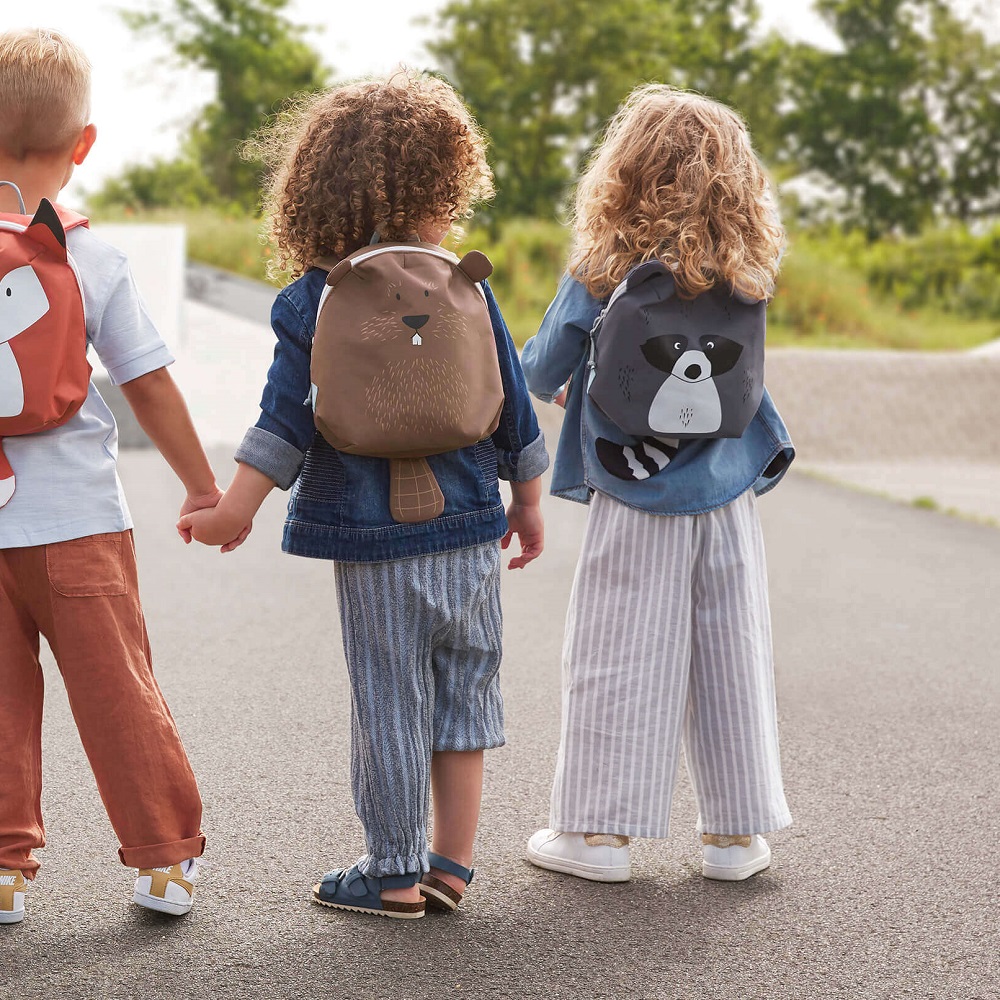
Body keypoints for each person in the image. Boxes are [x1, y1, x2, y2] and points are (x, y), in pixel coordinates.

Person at [179, 72, 548, 919]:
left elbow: (285, 420)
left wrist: (234, 508)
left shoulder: (315, 297)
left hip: (374, 545)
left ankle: (391, 874)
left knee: (392, 703)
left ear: (314, 188)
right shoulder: (467, 283)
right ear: (446, 183)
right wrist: (526, 505)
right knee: (466, 693)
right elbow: (513, 408)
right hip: (470, 533)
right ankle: (451, 867)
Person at [520, 85, 795, 883]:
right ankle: (736, 838)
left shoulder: (606, 267)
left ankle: (598, 836)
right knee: (732, 654)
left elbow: (542, 368)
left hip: (633, 492)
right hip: (727, 492)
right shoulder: (747, 273)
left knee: (617, 653)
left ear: (624, 173)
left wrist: (590, 377)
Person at [0, 28, 214, 923]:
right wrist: (204, 488)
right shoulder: (92, 256)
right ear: (84, 145)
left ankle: (6, 871)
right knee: (119, 689)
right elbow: (148, 386)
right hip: (78, 521)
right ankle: (163, 860)